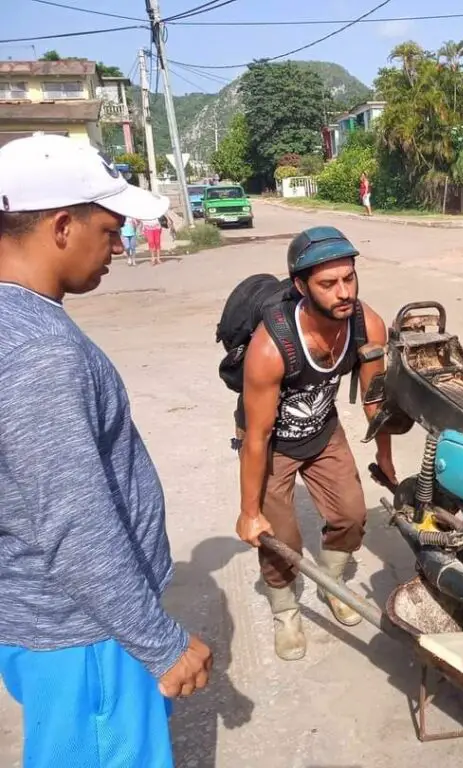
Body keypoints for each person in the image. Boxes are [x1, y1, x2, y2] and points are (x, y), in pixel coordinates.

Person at [0, 134, 212, 767]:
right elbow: (73, 521)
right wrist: (158, 642)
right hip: (85, 636)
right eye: (110, 228)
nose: (118, 247)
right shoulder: (40, 351)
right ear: (62, 225)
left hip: (50, 621)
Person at [234, 226, 397, 661]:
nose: (343, 292)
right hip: (272, 445)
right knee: (279, 537)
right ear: (301, 286)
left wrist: (384, 456)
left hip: (323, 431)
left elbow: (374, 399)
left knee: (351, 515)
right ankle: (285, 609)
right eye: (328, 284)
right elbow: (257, 435)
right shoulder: (271, 347)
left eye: (349, 279)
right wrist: (249, 513)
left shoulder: (367, 324)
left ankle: (331, 584)